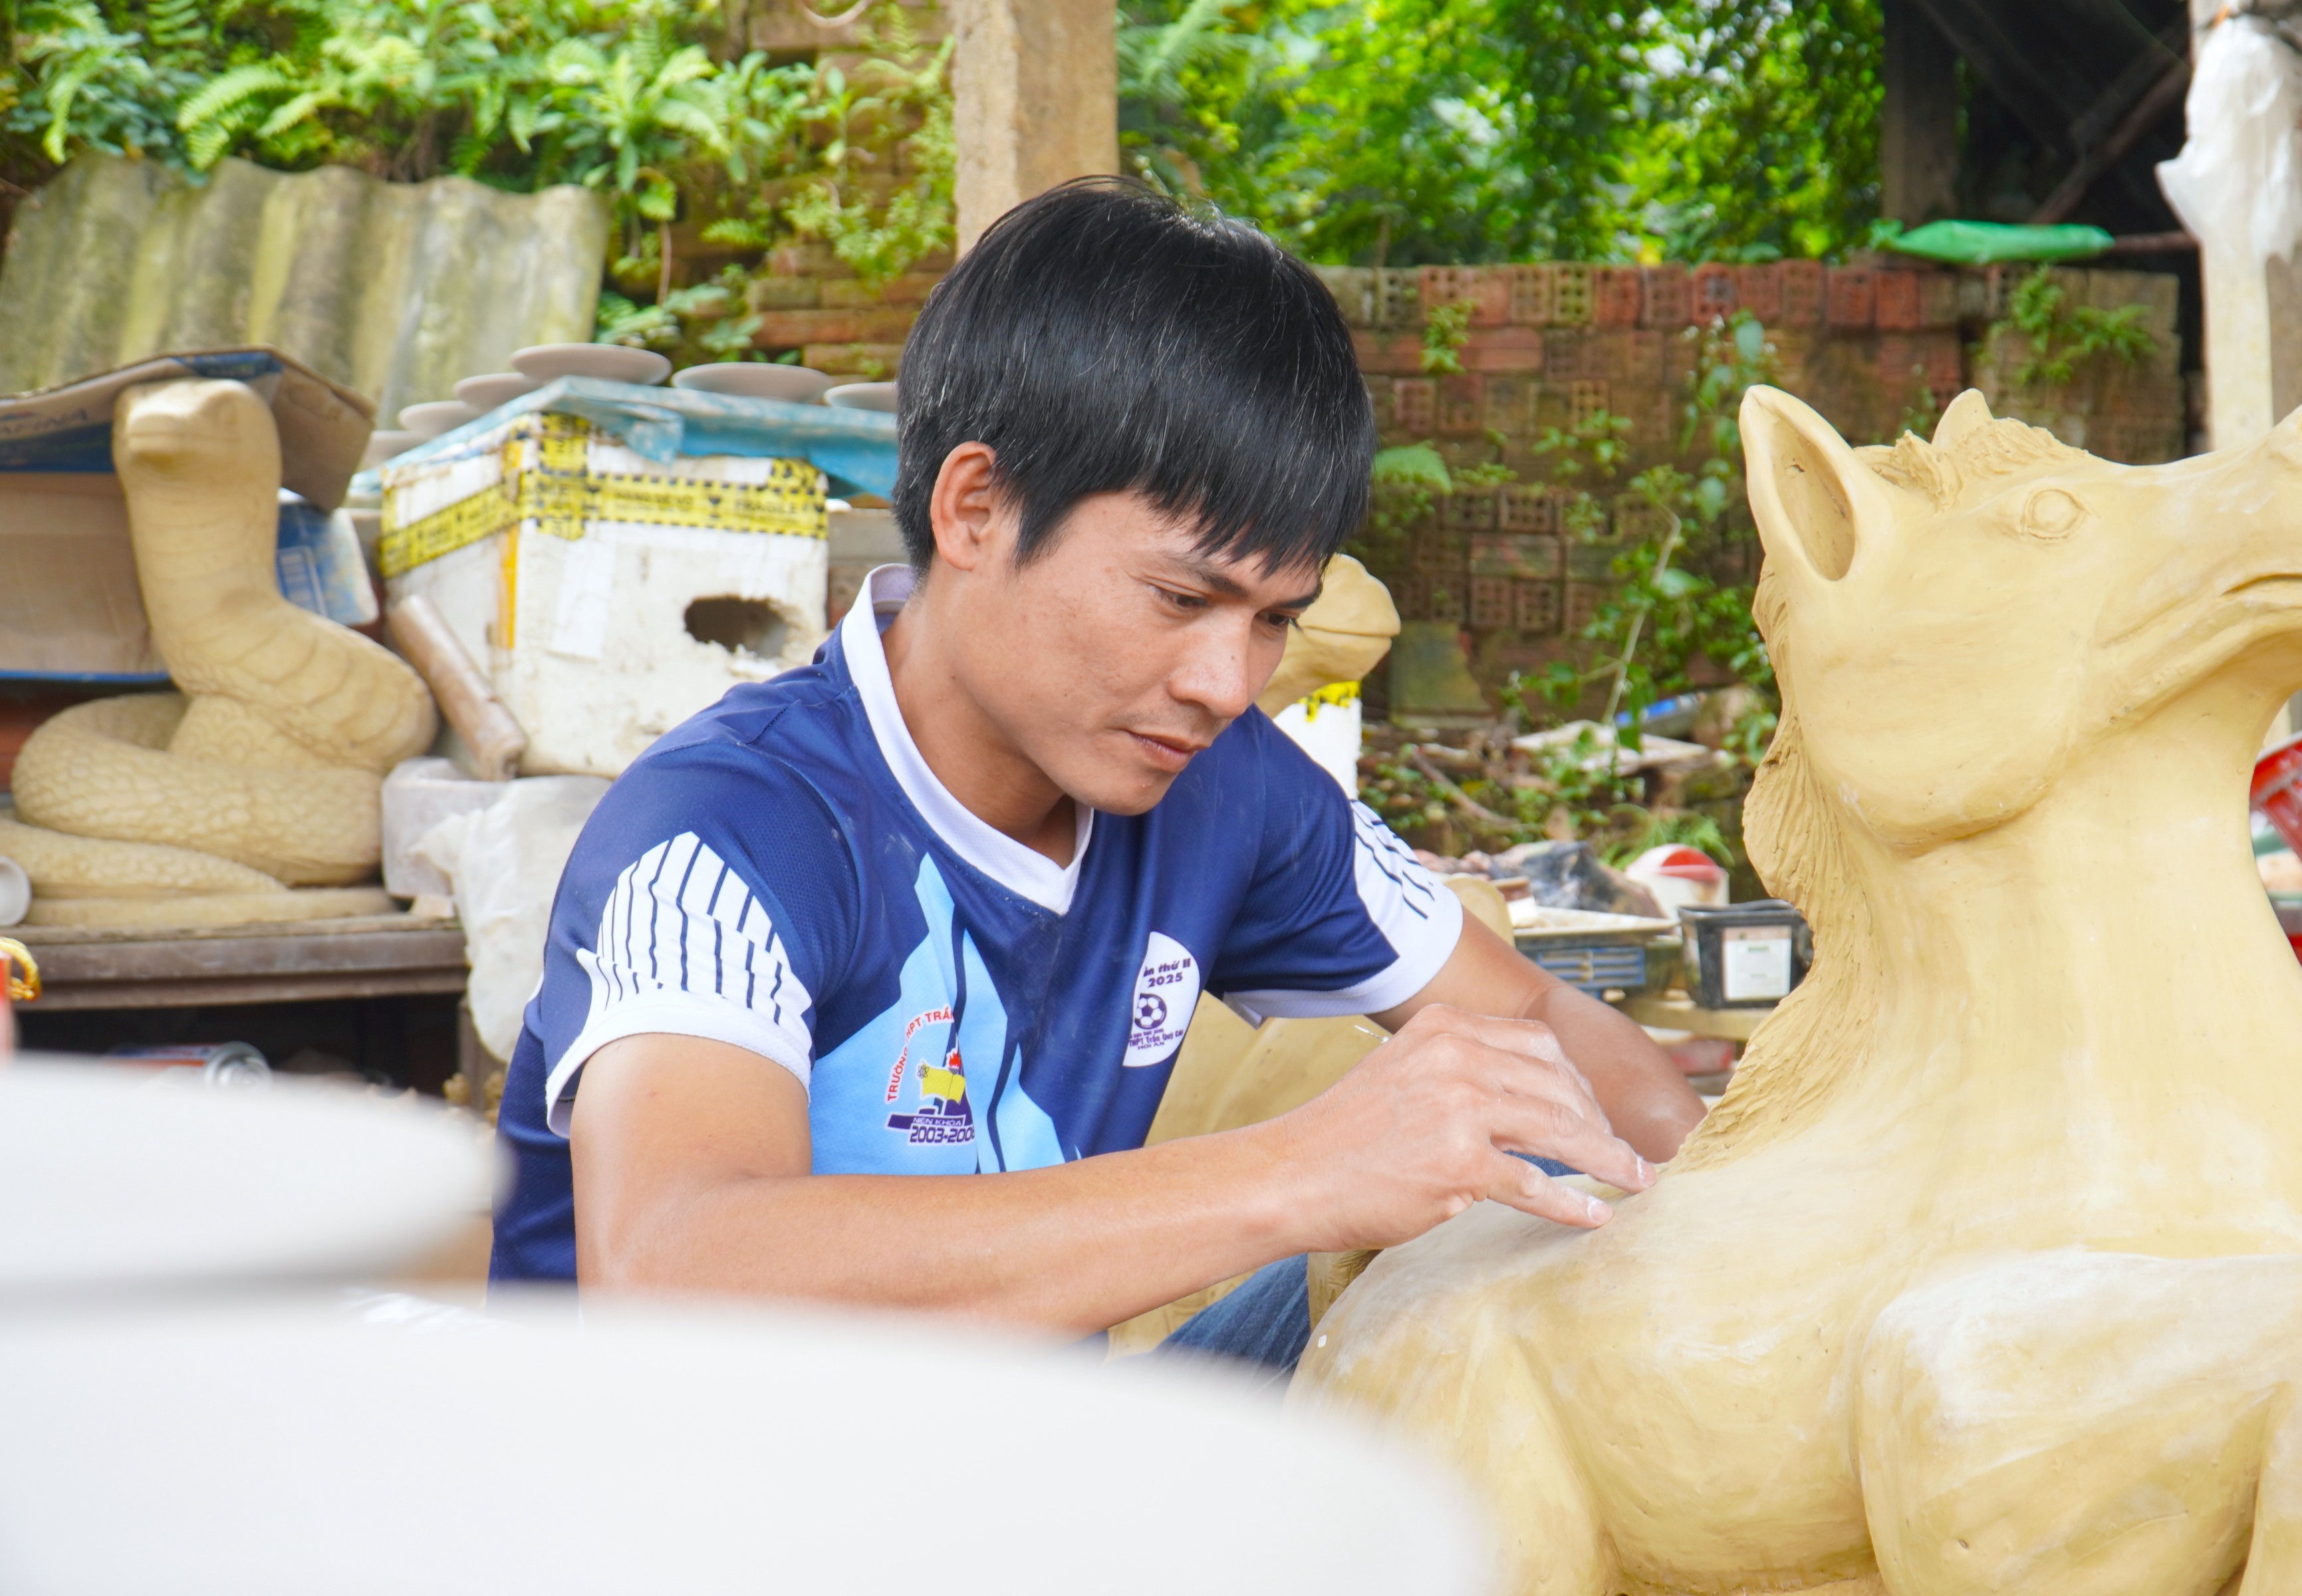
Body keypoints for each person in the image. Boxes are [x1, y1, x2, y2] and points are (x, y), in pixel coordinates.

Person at [488, 178, 1708, 1373]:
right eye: (1179, 597)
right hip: (705, 1488)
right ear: (976, 509)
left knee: (1500, 1231)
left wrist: (1728, 1217)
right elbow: (677, 1269)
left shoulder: (1226, 788)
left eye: (1274, 620)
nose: (1226, 684)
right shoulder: (724, 831)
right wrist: (1303, 1169)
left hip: (1044, 1460)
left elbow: (1536, 1021)